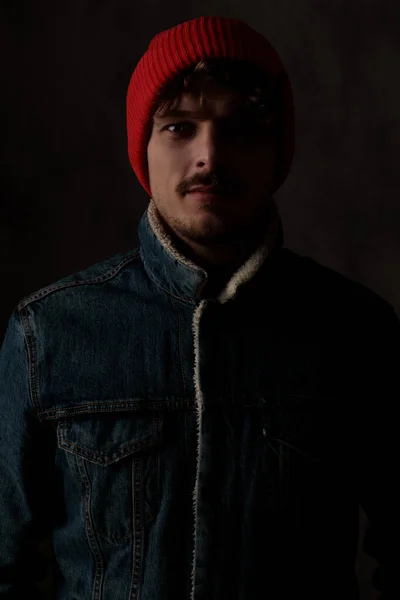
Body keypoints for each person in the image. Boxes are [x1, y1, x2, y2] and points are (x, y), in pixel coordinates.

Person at [0, 15, 397, 600]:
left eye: (239, 130)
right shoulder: (47, 334)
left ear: (277, 149)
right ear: (144, 146)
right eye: (180, 127)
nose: (210, 155)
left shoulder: (358, 332)